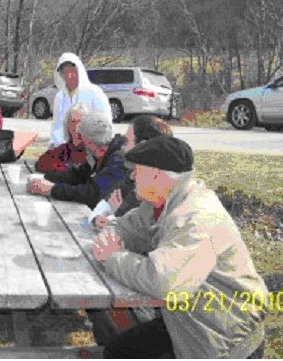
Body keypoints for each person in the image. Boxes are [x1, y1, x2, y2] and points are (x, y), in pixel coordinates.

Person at [93, 136, 268, 359]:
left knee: (121, 351)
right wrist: (110, 237)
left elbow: (163, 281)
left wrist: (112, 258)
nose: (132, 176)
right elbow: (128, 227)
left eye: (137, 170)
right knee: (119, 350)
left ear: (156, 174)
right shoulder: (162, 202)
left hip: (223, 338)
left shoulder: (193, 216)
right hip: (189, 319)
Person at [27, 110, 125, 209]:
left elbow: (91, 194)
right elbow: (77, 175)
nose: (83, 145)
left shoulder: (118, 160)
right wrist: (45, 178)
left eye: (85, 141)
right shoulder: (100, 153)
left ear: (91, 142)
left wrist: (51, 189)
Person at [89, 115, 173, 228]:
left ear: (141, 145)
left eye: (127, 141)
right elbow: (107, 202)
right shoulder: (133, 172)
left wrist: (112, 216)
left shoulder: (157, 186)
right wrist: (98, 218)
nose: (122, 147)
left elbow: (132, 229)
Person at [49, 52, 111, 148]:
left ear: (79, 71)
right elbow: (57, 126)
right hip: (65, 149)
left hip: (90, 149)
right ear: (60, 74)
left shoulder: (95, 93)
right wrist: (54, 144)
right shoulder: (59, 97)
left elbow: (105, 124)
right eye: (64, 72)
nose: (69, 75)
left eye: (72, 71)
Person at [35, 102, 88, 172]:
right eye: (73, 122)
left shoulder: (91, 151)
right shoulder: (63, 149)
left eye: (80, 122)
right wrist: (61, 168)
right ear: (67, 125)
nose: (76, 126)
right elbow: (40, 164)